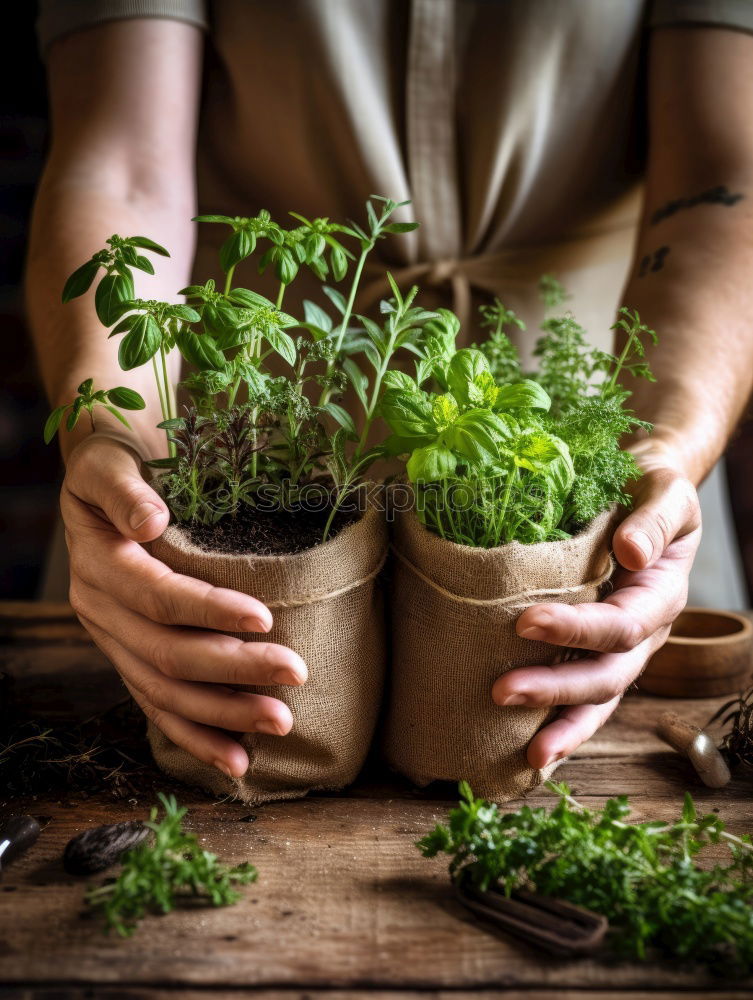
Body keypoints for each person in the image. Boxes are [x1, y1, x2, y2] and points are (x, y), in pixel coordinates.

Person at [29, 1, 753, 780]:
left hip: (585, 452)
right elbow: (121, 170)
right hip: (237, 427)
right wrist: (112, 432)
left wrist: (665, 446)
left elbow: (720, 178)